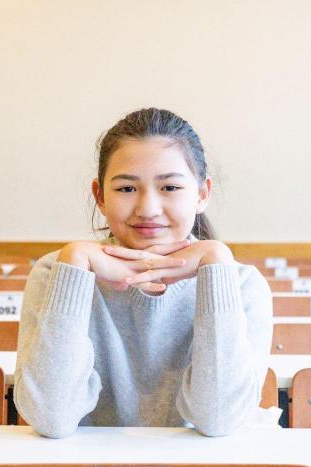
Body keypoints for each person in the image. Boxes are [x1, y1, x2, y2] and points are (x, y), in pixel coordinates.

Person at [14, 107, 272, 438]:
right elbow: (51, 417)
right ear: (100, 197)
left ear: (202, 193)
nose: (148, 209)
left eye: (170, 188)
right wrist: (75, 259)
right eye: (126, 189)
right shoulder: (57, 273)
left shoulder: (241, 284)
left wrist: (217, 262)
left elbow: (218, 419)